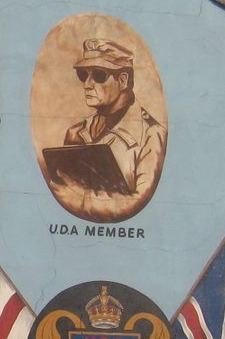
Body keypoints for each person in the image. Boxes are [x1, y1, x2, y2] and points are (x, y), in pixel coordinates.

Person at [47, 38, 166, 222]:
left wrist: (81, 200)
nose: (87, 84)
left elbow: (140, 201)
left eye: (98, 75)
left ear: (124, 80)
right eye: (82, 75)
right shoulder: (76, 133)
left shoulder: (151, 134)